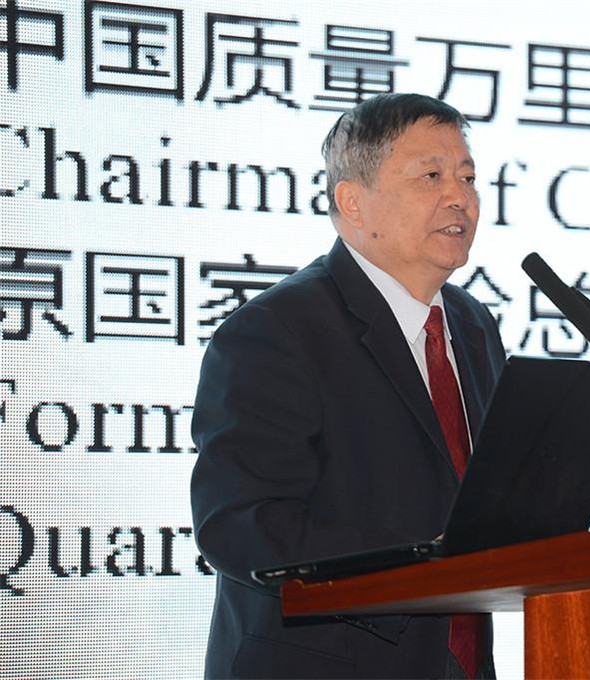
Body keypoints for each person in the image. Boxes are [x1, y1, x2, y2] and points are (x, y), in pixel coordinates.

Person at [190, 94, 505, 679]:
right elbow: (240, 523)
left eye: (467, 177)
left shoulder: (472, 325)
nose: (459, 197)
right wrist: (420, 561)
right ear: (352, 202)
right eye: (431, 176)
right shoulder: (276, 330)